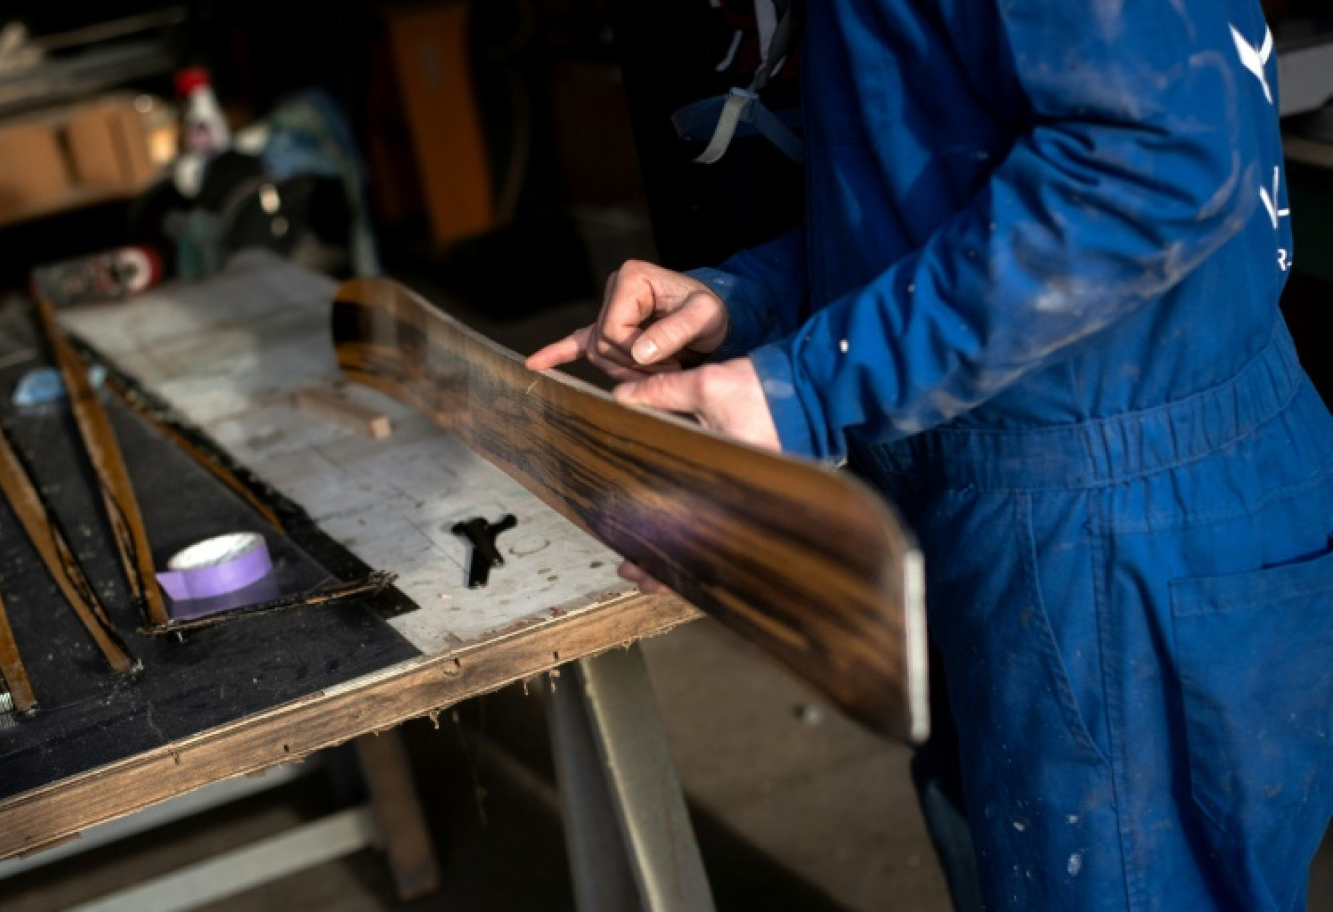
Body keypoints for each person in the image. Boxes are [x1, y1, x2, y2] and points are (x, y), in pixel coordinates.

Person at [527, 1, 1333, 909]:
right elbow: (953, 189)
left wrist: (809, 388)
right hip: (1006, 495)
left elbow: (1152, 166)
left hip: (1115, 517)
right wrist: (739, 301)